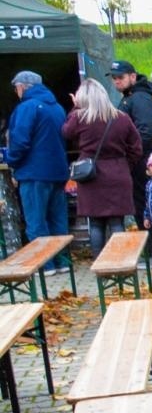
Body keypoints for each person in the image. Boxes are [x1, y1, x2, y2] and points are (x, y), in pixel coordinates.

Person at [60, 78, 143, 256]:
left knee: (96, 223)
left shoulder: (79, 118)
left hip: (90, 176)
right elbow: (136, 148)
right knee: (116, 221)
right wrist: (123, 166)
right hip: (118, 174)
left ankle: (100, 264)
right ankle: (119, 262)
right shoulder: (122, 118)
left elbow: (65, 132)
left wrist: (75, 107)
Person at [6, 71, 71, 273]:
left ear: (23, 86)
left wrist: (11, 160)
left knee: (36, 221)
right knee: (58, 220)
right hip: (58, 172)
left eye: (16, 87)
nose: (16, 91)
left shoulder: (27, 108)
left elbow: (20, 141)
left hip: (34, 173)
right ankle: (63, 262)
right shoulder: (57, 107)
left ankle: (45, 265)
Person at [109, 59, 152, 267]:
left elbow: (145, 132)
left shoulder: (140, 98)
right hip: (136, 159)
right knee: (141, 205)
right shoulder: (130, 98)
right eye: (114, 78)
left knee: (147, 206)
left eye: (120, 77)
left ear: (133, 76)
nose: (117, 82)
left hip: (142, 161)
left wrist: (131, 157)